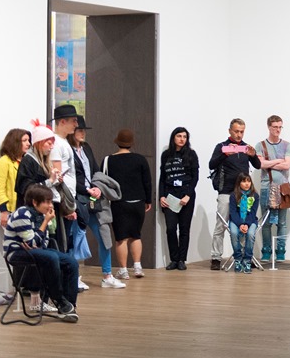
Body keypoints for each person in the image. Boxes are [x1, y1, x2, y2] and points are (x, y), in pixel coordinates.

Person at [3, 183, 80, 322]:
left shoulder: (41, 215)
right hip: (16, 252)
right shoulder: (22, 214)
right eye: (47, 202)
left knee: (71, 262)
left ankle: (69, 305)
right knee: (51, 257)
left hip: (35, 251)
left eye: (51, 202)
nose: (50, 205)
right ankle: (60, 301)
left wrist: (36, 240)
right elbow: (32, 242)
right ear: (35, 202)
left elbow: (42, 242)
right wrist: (44, 223)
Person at [71, 118, 125, 289]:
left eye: (84, 130)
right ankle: (74, 277)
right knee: (76, 238)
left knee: (104, 235)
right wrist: (86, 189)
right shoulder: (66, 149)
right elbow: (69, 178)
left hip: (93, 198)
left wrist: (97, 187)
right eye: (79, 130)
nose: (83, 133)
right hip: (77, 198)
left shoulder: (86, 147)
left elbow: (95, 170)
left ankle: (107, 275)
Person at [208, 118, 261, 270]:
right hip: (226, 191)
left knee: (243, 224)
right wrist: (225, 154)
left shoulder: (246, 148)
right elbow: (211, 164)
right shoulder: (222, 147)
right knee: (221, 225)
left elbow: (257, 166)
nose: (239, 134)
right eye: (236, 131)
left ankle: (244, 257)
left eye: (242, 132)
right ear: (230, 131)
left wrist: (253, 155)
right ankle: (216, 258)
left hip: (243, 193)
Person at [103, 129, 152, 280]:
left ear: (117, 142)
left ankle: (123, 270)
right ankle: (137, 267)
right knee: (136, 236)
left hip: (119, 202)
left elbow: (102, 181)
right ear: (131, 143)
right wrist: (148, 200)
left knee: (121, 238)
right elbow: (147, 182)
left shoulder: (109, 160)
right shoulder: (140, 159)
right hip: (138, 202)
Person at [158, 127, 199, 270]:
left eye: (185, 137)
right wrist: (161, 196)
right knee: (170, 228)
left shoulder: (191, 154)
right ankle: (173, 259)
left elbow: (195, 177)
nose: (182, 139)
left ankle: (182, 259)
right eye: (179, 136)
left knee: (184, 228)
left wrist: (188, 195)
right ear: (173, 137)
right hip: (170, 194)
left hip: (186, 194)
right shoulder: (166, 155)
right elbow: (163, 178)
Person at [256, 114, 290, 262]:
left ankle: (281, 251)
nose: (278, 130)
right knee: (266, 222)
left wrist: (269, 162)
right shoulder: (260, 145)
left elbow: (287, 165)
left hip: (283, 187)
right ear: (269, 127)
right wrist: (278, 161)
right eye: (275, 127)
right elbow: (260, 164)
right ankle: (266, 251)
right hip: (267, 186)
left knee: (282, 222)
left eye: (280, 127)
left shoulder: (287, 145)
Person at [50, 105, 81, 256]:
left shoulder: (63, 142)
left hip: (67, 197)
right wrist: (65, 205)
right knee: (61, 242)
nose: (76, 124)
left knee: (66, 241)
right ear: (62, 122)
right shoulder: (56, 143)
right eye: (73, 121)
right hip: (62, 199)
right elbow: (57, 176)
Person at [0, 128, 31, 229]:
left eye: (28, 140)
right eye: (24, 140)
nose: (29, 144)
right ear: (15, 142)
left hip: (24, 208)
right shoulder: (4, 162)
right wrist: (4, 211)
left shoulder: (26, 161)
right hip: (9, 209)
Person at [228, 173, 259, 273]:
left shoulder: (255, 196)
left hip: (250, 220)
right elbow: (233, 212)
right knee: (233, 233)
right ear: (239, 183)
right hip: (236, 220)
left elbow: (253, 212)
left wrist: (247, 224)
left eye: (248, 181)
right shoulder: (233, 195)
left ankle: (247, 260)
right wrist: (240, 224)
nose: (247, 184)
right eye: (244, 181)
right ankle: (238, 259)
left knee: (250, 234)